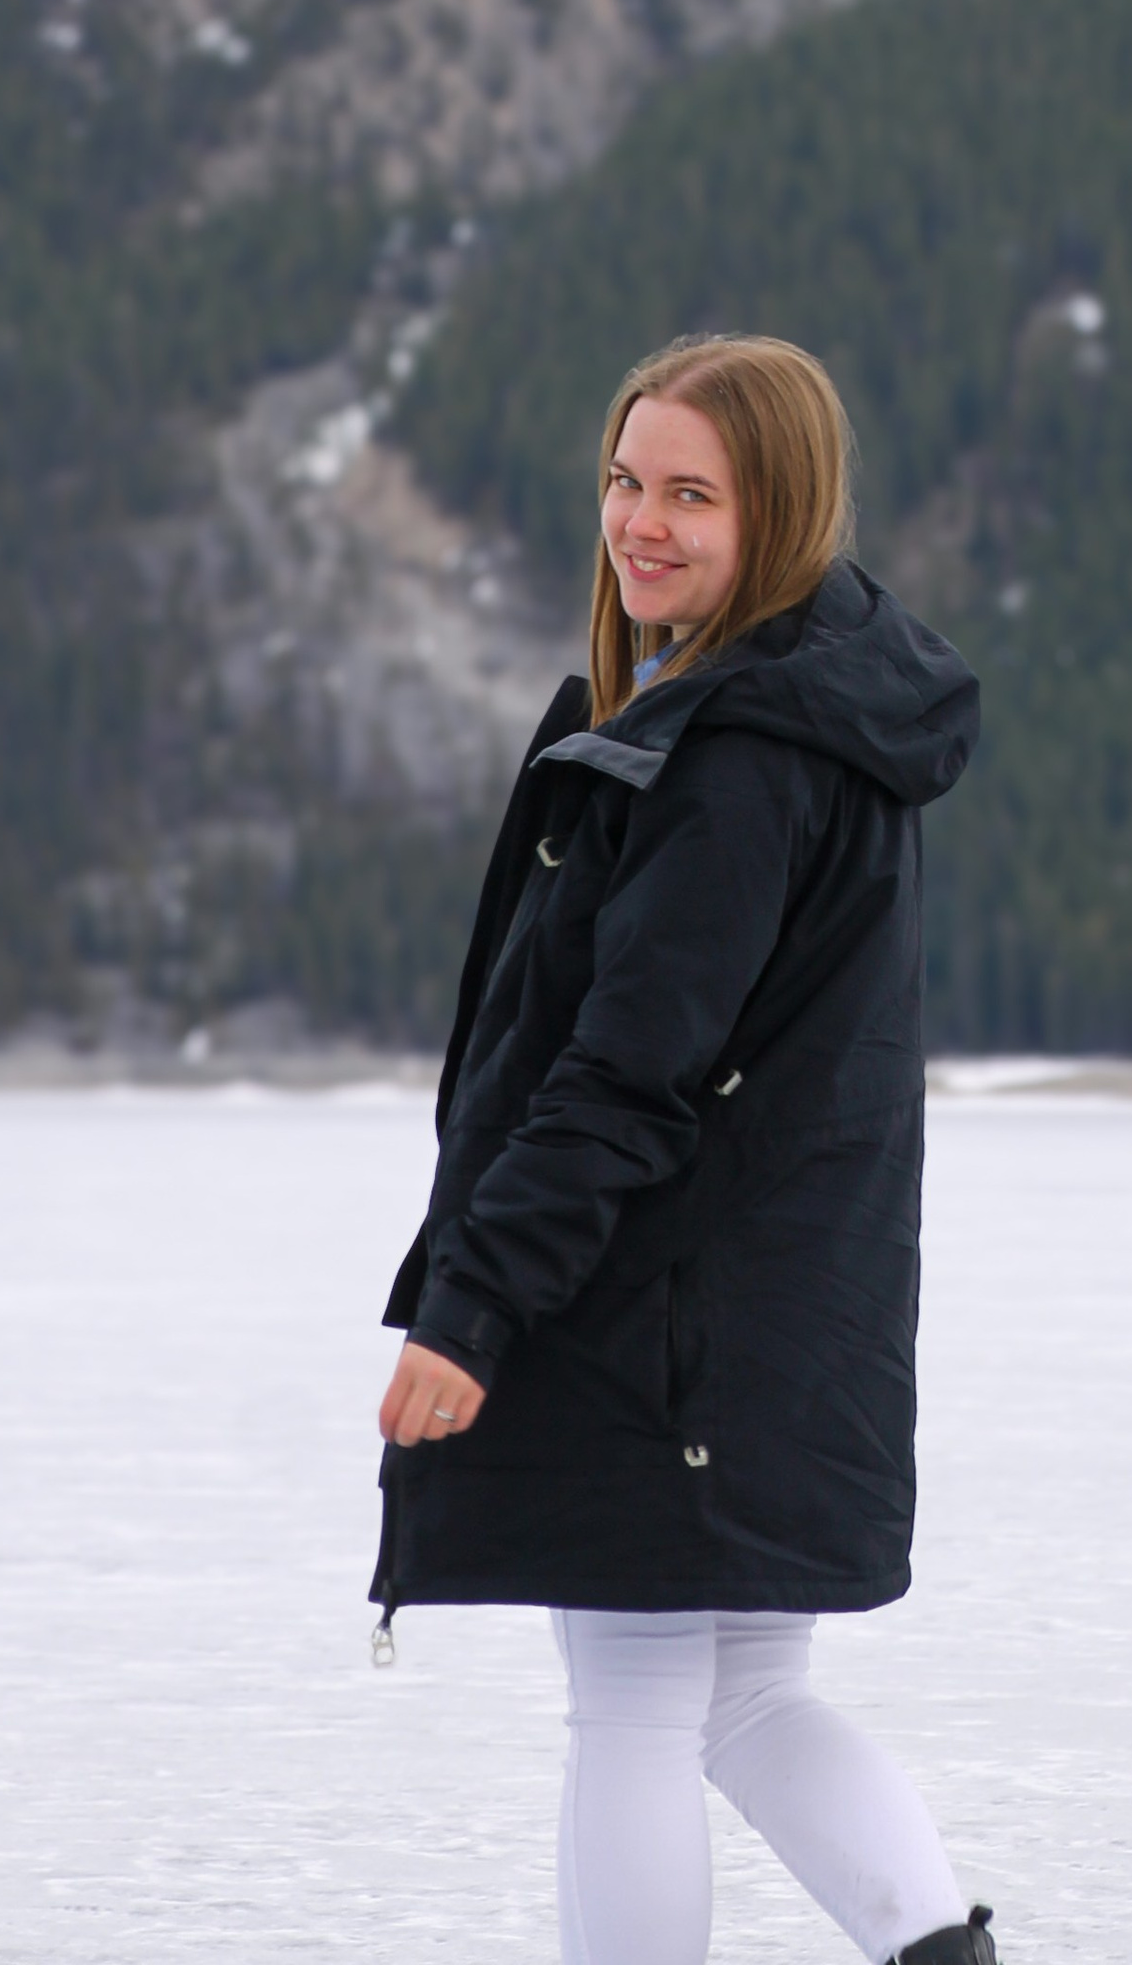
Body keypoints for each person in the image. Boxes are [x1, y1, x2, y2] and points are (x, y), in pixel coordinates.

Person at [371, 329, 999, 1965]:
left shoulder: (730, 758)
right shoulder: (797, 711)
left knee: (642, 1716)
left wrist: (474, 1308)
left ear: (776, 512)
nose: (642, 523)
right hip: (783, 1310)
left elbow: (626, 1071)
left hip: (663, 1312)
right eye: (625, 481)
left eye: (692, 496)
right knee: (750, 1699)